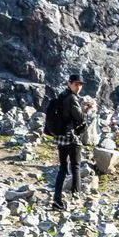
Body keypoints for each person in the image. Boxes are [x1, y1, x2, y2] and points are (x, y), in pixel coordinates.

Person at [42, 75, 89, 210]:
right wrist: (85, 111)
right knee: (75, 167)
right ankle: (76, 197)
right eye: (76, 84)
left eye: (80, 85)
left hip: (60, 137)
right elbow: (79, 119)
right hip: (71, 137)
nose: (78, 87)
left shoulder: (62, 95)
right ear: (69, 83)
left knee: (63, 168)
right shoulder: (72, 98)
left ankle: (57, 200)